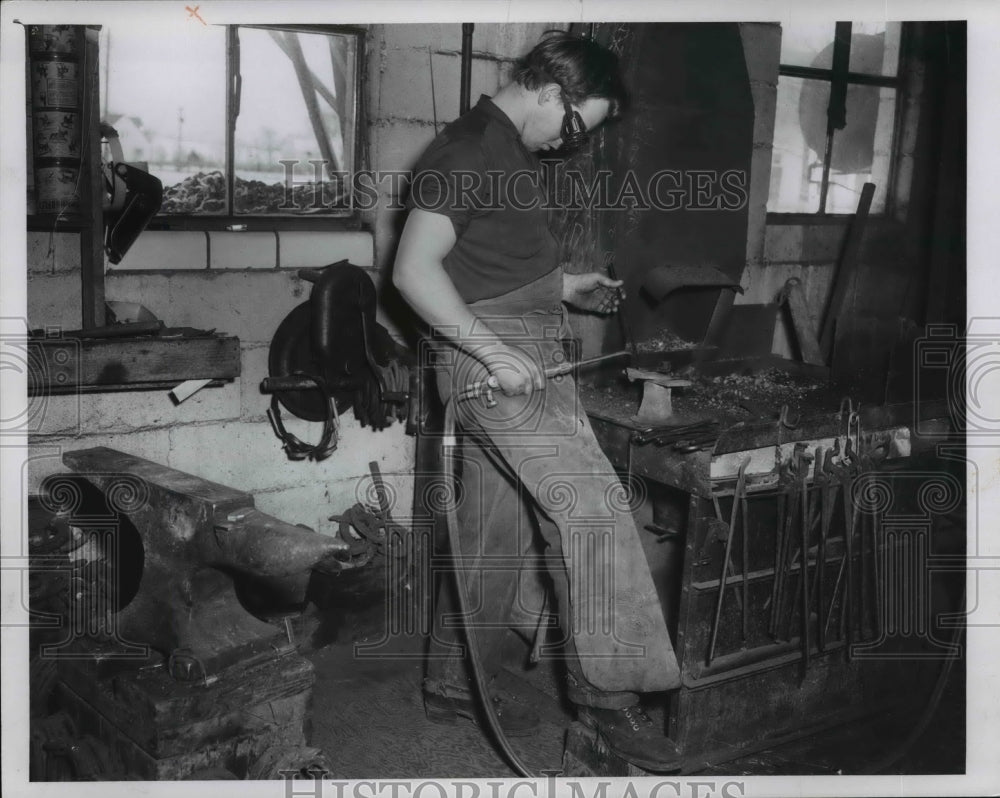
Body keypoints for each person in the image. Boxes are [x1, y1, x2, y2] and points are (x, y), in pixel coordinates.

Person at [392, 30, 682, 771]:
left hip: (515, 348)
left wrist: (564, 286)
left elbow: (482, 260)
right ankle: (609, 706)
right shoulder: (467, 150)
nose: (570, 143)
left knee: (491, 533)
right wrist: (492, 352)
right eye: (577, 123)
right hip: (497, 363)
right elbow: (413, 271)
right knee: (592, 509)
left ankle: (454, 682)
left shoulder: (502, 148)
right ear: (551, 89)